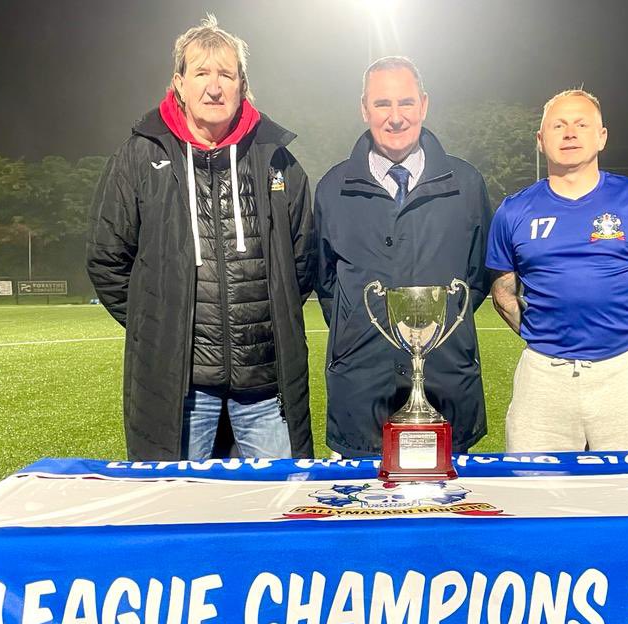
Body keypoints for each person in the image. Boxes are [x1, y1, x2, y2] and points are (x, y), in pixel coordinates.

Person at [87, 15, 315, 461]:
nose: (215, 87)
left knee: (278, 508)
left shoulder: (276, 160)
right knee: (179, 512)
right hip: (181, 390)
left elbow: (303, 260)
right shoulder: (140, 155)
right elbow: (106, 258)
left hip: (266, 387)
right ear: (179, 83)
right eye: (202, 73)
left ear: (242, 84)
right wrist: (158, 326)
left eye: (226, 75)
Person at [488, 89, 628, 453]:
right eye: (558, 125)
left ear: (602, 136)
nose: (569, 133)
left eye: (582, 124)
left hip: (626, 376)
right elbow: (503, 293)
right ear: (540, 140)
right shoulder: (513, 211)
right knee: (539, 496)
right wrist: (544, 338)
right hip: (543, 380)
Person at [314, 56, 492, 458]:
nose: (395, 117)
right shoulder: (331, 188)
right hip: (361, 394)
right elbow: (325, 282)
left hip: (446, 392)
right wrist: (361, 331)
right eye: (382, 104)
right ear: (364, 109)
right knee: (361, 516)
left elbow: (477, 276)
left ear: (424, 105)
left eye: (406, 103)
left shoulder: (465, 184)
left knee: (447, 514)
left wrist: (435, 333)